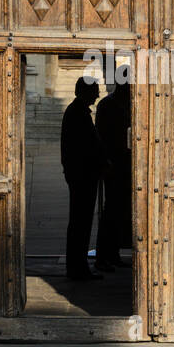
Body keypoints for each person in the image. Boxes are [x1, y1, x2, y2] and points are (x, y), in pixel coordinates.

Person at [60, 76, 106, 280]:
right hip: (82, 176)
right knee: (81, 222)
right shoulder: (77, 113)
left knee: (80, 222)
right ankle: (78, 268)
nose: (97, 95)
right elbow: (84, 148)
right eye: (95, 90)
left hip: (81, 175)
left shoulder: (77, 112)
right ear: (85, 91)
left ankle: (78, 266)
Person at [95, 68, 132, 270]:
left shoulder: (128, 103)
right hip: (113, 165)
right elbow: (101, 137)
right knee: (109, 211)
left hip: (126, 164)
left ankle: (114, 252)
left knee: (120, 211)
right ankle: (103, 256)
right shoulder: (108, 105)